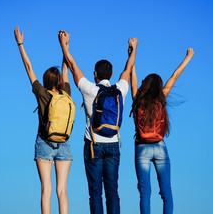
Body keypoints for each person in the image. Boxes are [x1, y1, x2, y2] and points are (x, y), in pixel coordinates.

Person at [58, 30, 137, 214]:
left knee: (95, 192)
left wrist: (64, 44)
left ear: (95, 74)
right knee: (112, 191)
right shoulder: (120, 89)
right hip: (114, 145)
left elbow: (72, 65)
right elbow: (128, 68)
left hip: (93, 145)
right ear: (111, 74)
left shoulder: (89, 89)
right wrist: (134, 49)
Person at [14, 27, 73, 214]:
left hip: (45, 143)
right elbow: (66, 67)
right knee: (62, 191)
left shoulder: (41, 93)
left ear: (46, 80)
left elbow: (28, 67)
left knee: (46, 190)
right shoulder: (66, 93)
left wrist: (20, 44)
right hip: (64, 143)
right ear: (60, 81)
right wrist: (65, 44)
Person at [130, 47, 194, 214]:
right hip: (160, 147)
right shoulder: (161, 98)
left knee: (145, 194)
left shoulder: (137, 99)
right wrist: (188, 57)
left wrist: (132, 55)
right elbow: (174, 76)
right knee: (166, 193)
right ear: (158, 86)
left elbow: (133, 79)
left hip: (141, 147)